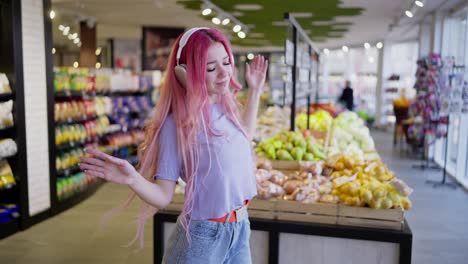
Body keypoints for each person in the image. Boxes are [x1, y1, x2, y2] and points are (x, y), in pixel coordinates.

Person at [78, 27, 268, 263]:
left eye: (226, 63)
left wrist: (256, 91)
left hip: (239, 229)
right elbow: (162, 195)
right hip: (201, 237)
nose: (223, 73)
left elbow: (243, 138)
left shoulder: (226, 108)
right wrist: (132, 179)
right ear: (184, 73)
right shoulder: (176, 125)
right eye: (210, 68)